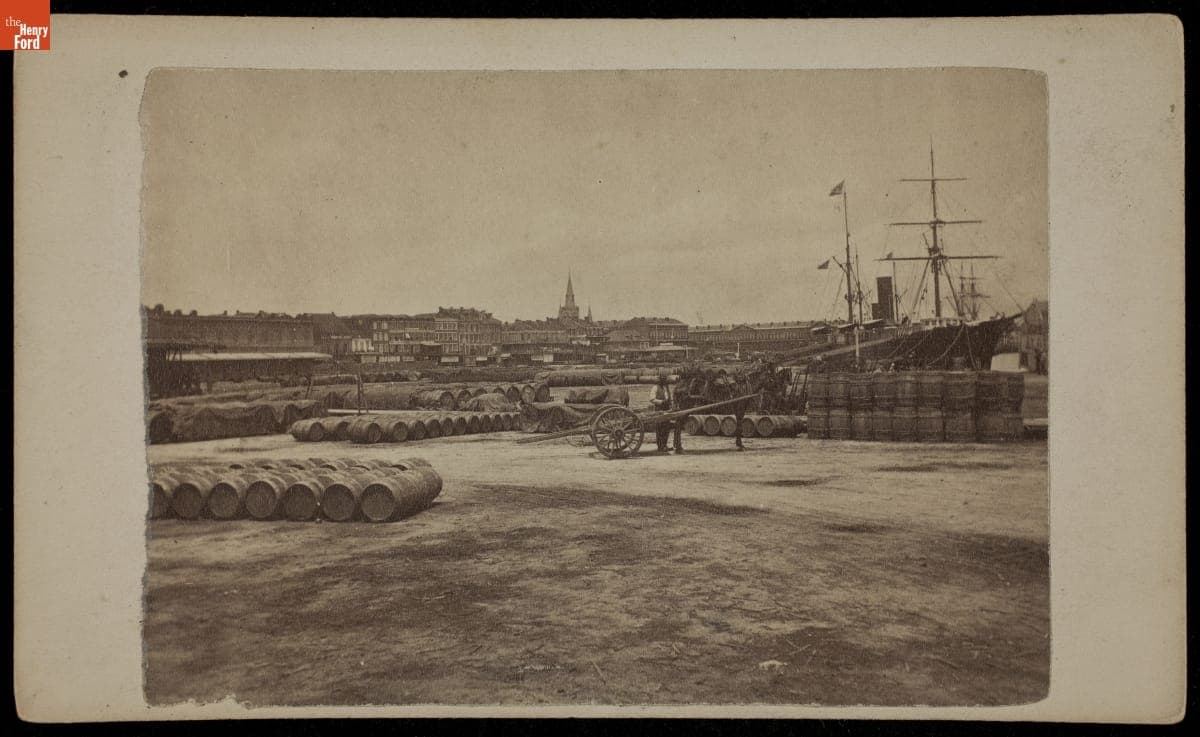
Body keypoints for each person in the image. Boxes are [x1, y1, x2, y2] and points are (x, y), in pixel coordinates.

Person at [651, 377, 683, 453]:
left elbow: (668, 398)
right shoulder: (655, 388)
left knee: (666, 428)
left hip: (667, 410)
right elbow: (652, 399)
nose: (665, 383)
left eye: (665, 382)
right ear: (660, 382)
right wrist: (661, 402)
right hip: (659, 410)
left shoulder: (666, 388)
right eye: (664, 381)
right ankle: (660, 446)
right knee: (659, 429)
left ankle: (664, 445)